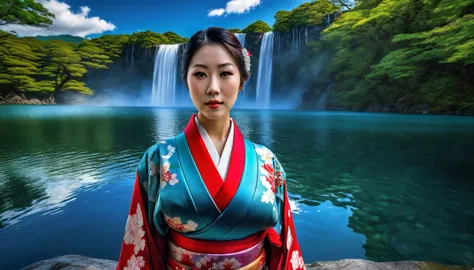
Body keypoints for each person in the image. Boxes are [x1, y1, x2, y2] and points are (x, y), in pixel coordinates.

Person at [116, 26, 305, 270]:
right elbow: (141, 242)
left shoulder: (267, 161)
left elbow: (285, 241)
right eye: (200, 74)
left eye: (225, 73)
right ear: (186, 80)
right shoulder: (157, 159)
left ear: (242, 81)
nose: (213, 88)